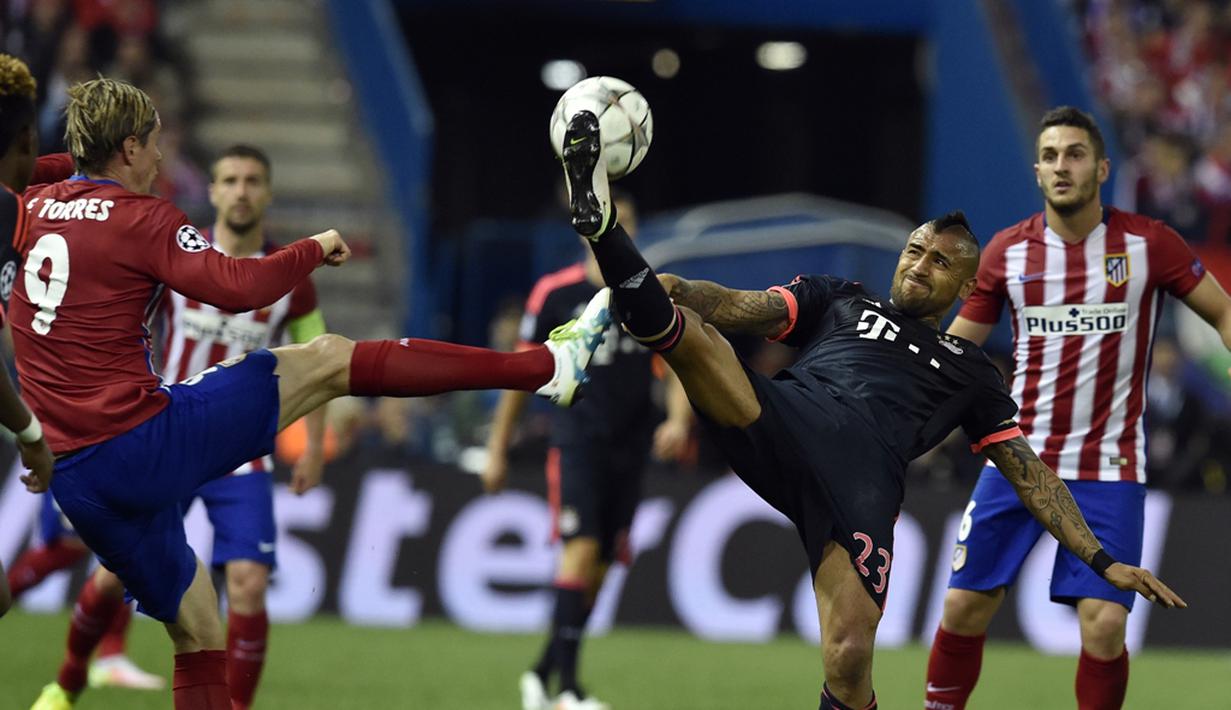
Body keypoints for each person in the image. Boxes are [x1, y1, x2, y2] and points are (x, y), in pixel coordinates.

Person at [553, 108, 1184, 710]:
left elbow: (1030, 474)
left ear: (967, 288)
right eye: (914, 251)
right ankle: (603, 228)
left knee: (849, 656)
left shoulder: (969, 370)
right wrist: (682, 289)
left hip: (861, 487)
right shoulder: (842, 299)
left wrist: (1100, 559)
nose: (919, 266)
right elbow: (740, 306)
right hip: (784, 418)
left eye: (940, 262)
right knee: (690, 332)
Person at [15, 76, 613, 710]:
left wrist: (69, 162)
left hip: (72, 473)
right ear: (130, 147)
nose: (162, 159)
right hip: (141, 440)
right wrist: (314, 247)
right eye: (155, 144)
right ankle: (545, 366)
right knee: (329, 359)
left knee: (199, 624)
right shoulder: (144, 217)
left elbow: (34, 172)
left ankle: (67, 686)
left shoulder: (29, 205)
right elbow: (239, 288)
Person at [924, 106, 1231, 710]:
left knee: (1105, 624)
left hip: (1108, 468)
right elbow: (955, 353)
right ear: (1037, 171)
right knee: (962, 607)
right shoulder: (1007, 252)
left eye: (1075, 154)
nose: (1061, 166)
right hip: (1018, 460)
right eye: (1050, 156)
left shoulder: (1149, 245)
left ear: (1102, 168)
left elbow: (1222, 311)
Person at [31, 143, 328, 709]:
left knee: (248, 583)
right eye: (230, 180)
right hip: (167, 436)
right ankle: (66, 684)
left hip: (243, 455)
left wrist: (313, 448)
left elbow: (317, 355)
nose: (241, 191)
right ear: (212, 191)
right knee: (113, 576)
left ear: (268, 192)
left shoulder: (291, 278)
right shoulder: (175, 249)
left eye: (253, 180)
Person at [482, 191, 691, 710]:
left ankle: (541, 673)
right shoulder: (555, 293)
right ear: (585, 227)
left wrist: (678, 420)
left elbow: (681, 364)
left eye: (627, 219)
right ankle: (569, 691)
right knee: (580, 550)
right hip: (577, 439)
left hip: (632, 445)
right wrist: (497, 448)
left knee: (597, 570)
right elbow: (520, 374)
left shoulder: (650, 292)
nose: (618, 227)